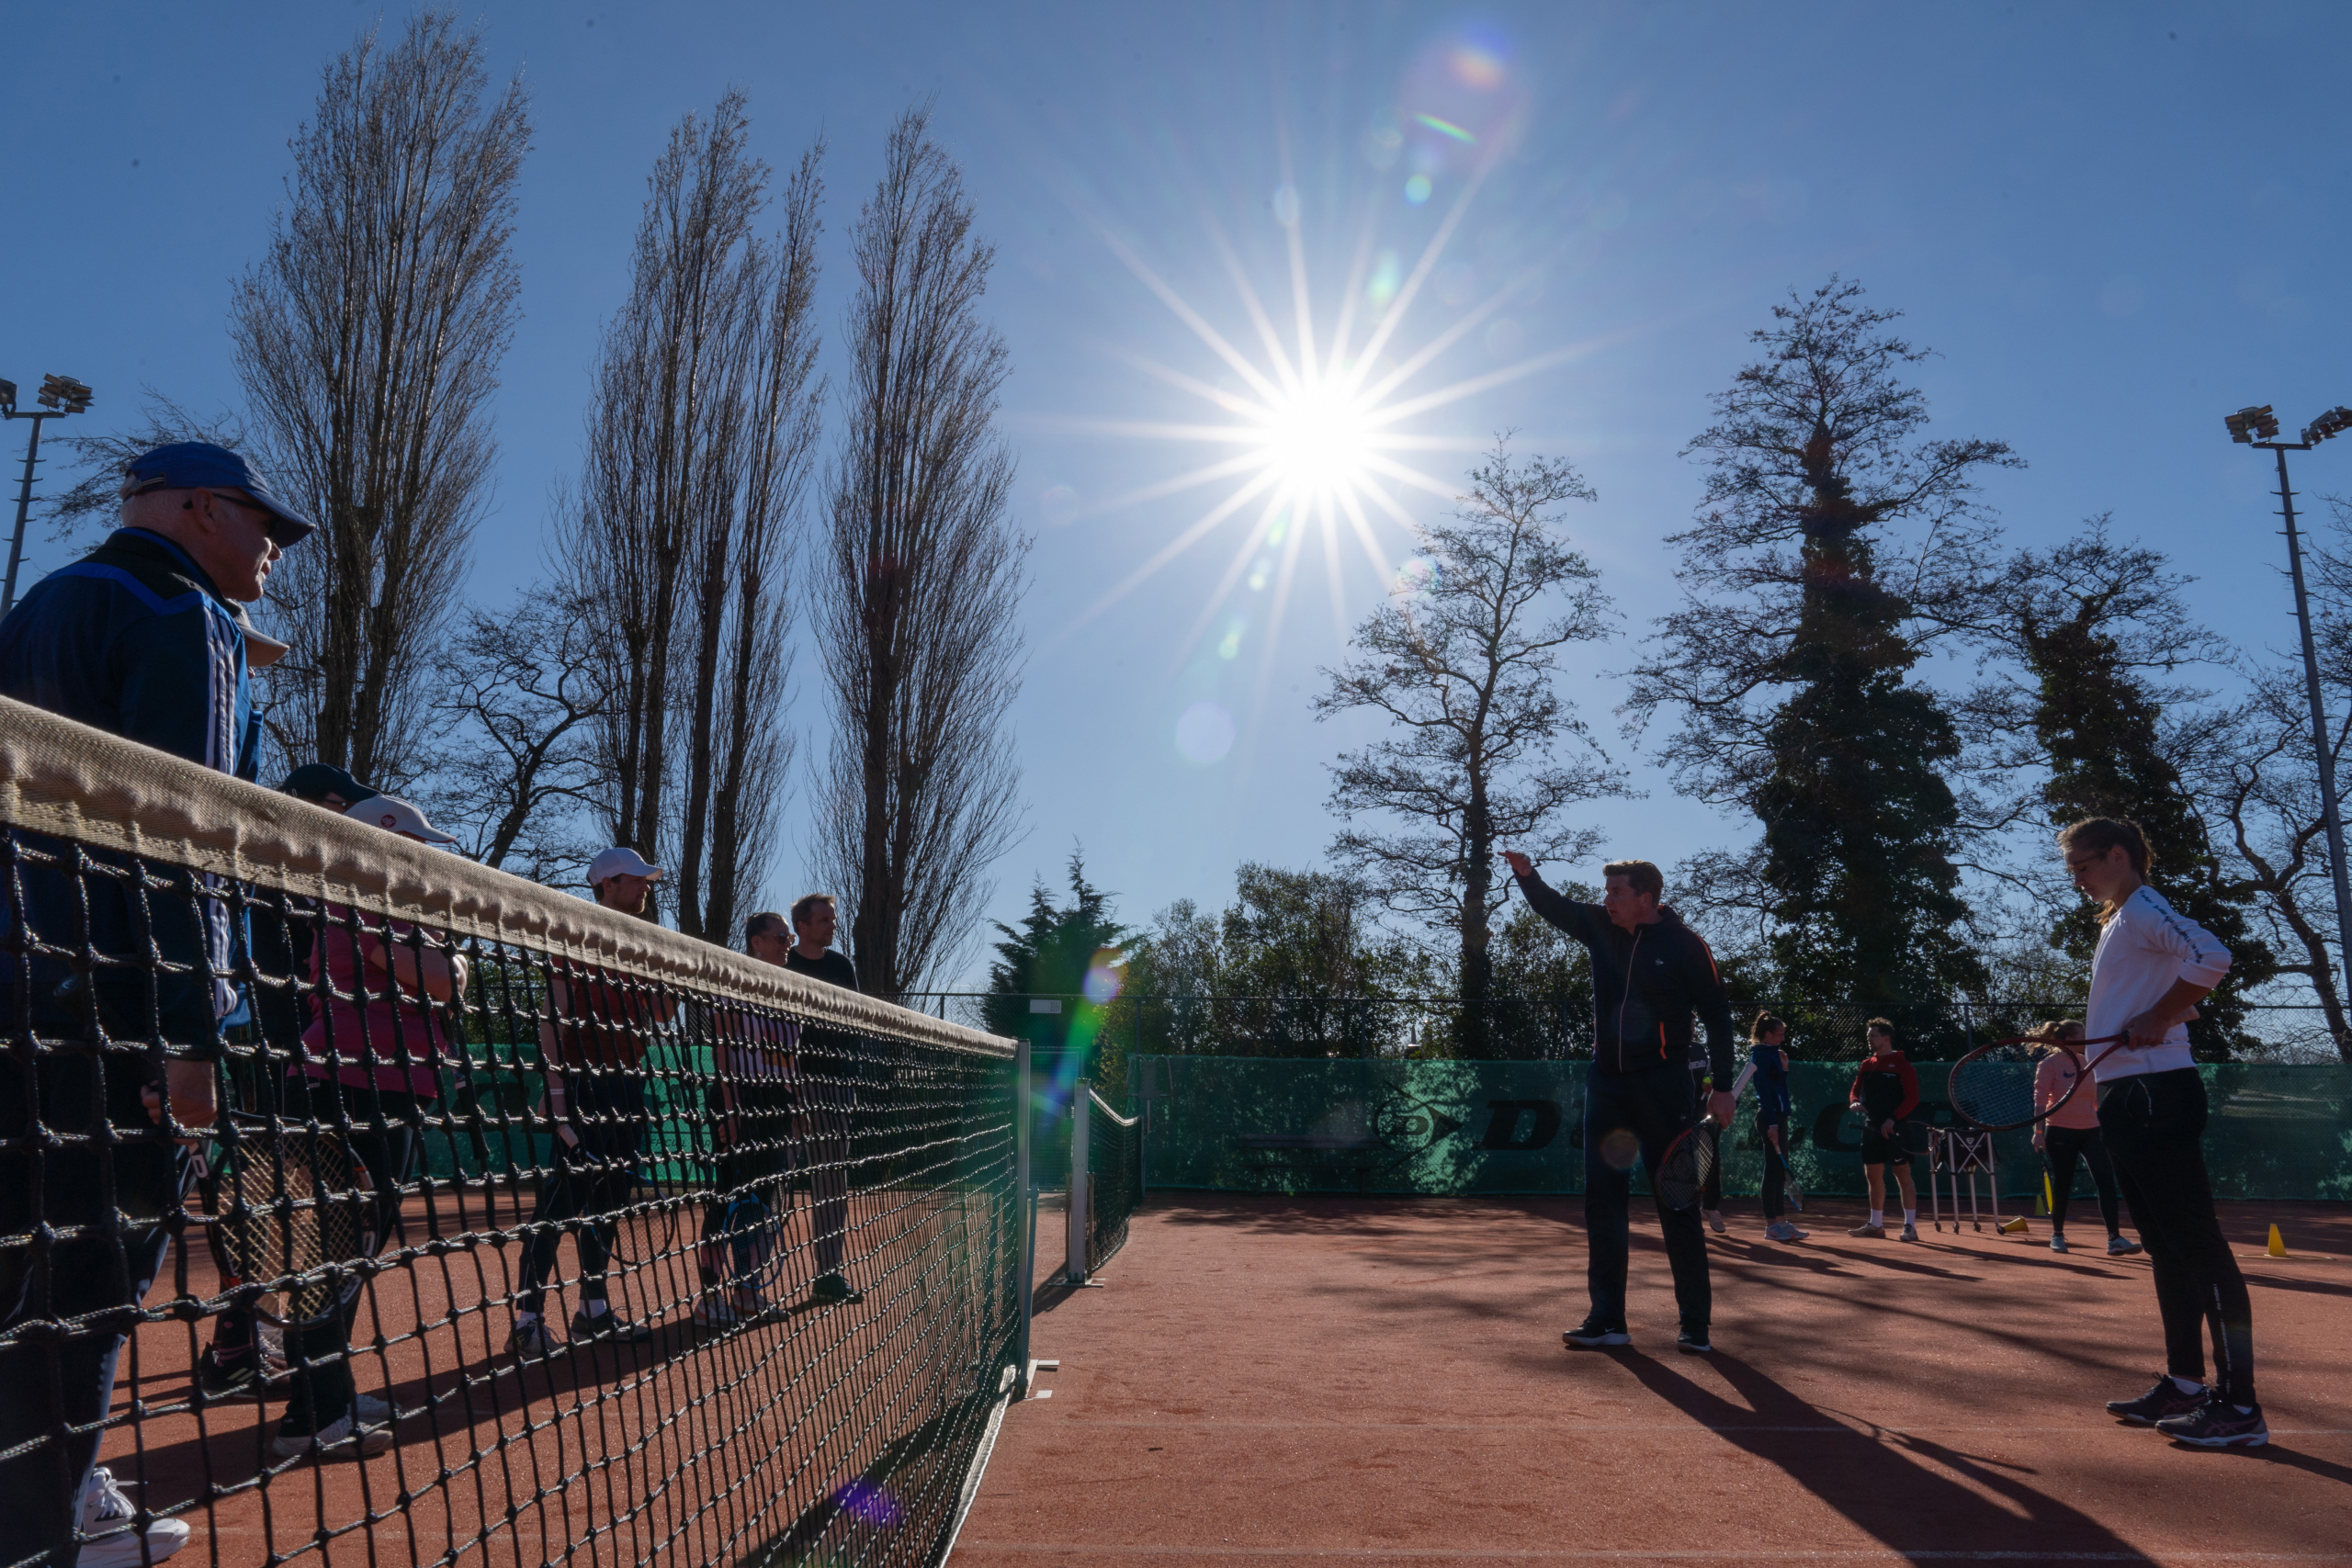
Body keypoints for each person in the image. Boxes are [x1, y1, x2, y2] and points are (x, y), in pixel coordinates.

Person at [0, 442, 313, 1566]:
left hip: (19, 993)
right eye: (261, 521)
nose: (275, 544)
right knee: (87, 1293)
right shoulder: (188, 620)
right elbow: (189, 846)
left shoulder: (45, 601)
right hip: (119, 1012)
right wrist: (192, 1037)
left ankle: (47, 1507)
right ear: (196, 512)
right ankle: (46, 1536)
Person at [272, 793, 467, 1462]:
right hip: (349, 1087)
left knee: (351, 1253)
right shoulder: (362, 895)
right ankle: (315, 1412)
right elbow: (439, 977)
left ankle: (327, 1393)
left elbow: (439, 973)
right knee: (337, 1253)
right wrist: (451, 965)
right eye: (413, 844)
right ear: (381, 843)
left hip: (387, 1086)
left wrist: (448, 965)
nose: (422, 858)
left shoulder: (391, 904)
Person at [2063, 818, 2262, 1447]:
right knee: (2167, 1246)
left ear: (2118, 854)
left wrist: (2160, 1014)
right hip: (2129, 1094)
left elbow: (2213, 955)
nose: (2078, 879)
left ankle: (2241, 1407)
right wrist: (2155, 1012)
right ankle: (2185, 1383)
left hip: (2155, 1093)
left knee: (2195, 1243)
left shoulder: (2146, 904)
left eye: (2084, 865)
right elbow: (2173, 993)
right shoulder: (2122, 918)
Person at [196, 761, 380, 1404]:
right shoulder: (278, 867)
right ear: (298, 804)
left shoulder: (317, 872)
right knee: (288, 1220)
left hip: (300, 1061)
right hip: (282, 1062)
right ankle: (245, 1351)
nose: (346, 817)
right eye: (335, 803)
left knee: (290, 1219)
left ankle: (235, 1349)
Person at [1503, 852, 1735, 1357]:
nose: (1606, 901)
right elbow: (1553, 907)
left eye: (1616, 893)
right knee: (1602, 1205)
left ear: (1646, 899)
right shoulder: (1599, 928)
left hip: (1665, 1087)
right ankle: (1607, 1318)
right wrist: (1526, 876)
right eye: (1605, 892)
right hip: (1606, 1086)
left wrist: (1721, 1086)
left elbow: (1718, 1015)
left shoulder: (1686, 946)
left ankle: (1695, 1324)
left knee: (1677, 1203)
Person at [509, 848, 671, 1356]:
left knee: (610, 1200)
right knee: (560, 1204)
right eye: (635, 880)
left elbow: (663, 1015)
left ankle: (592, 1312)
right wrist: (556, 1095)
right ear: (606, 884)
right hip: (583, 1087)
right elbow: (550, 1021)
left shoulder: (644, 943)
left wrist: (664, 965)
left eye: (647, 880)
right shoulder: (574, 937)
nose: (645, 887)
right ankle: (527, 1320)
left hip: (627, 1086)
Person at [694, 910, 804, 1327]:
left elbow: (788, 1059)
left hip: (777, 1102)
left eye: (789, 937)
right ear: (756, 941)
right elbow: (722, 1051)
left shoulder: (792, 988)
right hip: (738, 1096)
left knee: (764, 1202)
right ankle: (708, 1299)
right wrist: (732, 1108)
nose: (787, 943)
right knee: (724, 1198)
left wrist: (795, 1107)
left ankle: (746, 1292)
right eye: (780, 936)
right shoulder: (733, 981)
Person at [776, 896, 864, 1305]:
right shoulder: (782, 962)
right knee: (775, 1178)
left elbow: (855, 1020)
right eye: (824, 920)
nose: (832, 926)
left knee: (831, 1183)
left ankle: (828, 1274)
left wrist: (848, 1074)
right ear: (801, 925)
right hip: (785, 1088)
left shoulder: (841, 966)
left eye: (833, 919)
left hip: (833, 1088)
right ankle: (752, 1280)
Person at [2031, 1020, 2141, 1258]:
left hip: (2092, 1131)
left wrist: (2105, 1127)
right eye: (2084, 1033)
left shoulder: (2089, 1062)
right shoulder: (2049, 1065)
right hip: (2060, 1131)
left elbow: (2094, 1099)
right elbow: (2040, 1101)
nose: (2089, 1036)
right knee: (2063, 1184)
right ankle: (2057, 1235)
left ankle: (2114, 1239)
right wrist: (2038, 1133)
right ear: (2071, 1039)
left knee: (2105, 1181)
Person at [1847, 1020, 1922, 1241]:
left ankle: (1910, 1226)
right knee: (1873, 1175)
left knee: (1902, 1174)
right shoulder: (1867, 1064)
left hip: (1896, 1127)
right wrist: (1853, 1101)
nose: (1869, 1039)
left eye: (1873, 1036)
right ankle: (1876, 1225)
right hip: (1871, 1127)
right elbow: (1856, 1089)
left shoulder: (1902, 1064)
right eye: (1869, 1035)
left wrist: (1892, 1119)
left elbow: (1912, 1098)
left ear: (1886, 1038)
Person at [1750, 1014, 1807, 1243]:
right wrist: (1772, 1123)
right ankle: (1771, 1226)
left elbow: (1777, 1086)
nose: (1783, 1038)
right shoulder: (1760, 1055)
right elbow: (1764, 1092)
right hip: (1769, 1117)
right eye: (1780, 1034)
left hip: (1778, 1117)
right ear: (1768, 1034)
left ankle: (1782, 1223)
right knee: (1772, 1173)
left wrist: (1784, 1069)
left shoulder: (1773, 1053)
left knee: (1779, 1174)